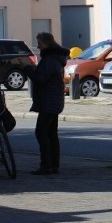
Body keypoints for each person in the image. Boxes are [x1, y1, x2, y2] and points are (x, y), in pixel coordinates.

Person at [24, 32, 70, 175]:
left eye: (40, 43)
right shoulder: (56, 58)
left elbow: (40, 79)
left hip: (48, 101)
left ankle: (46, 166)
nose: (38, 46)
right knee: (51, 133)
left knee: (41, 132)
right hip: (54, 100)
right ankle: (54, 165)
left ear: (46, 43)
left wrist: (27, 68)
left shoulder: (50, 59)